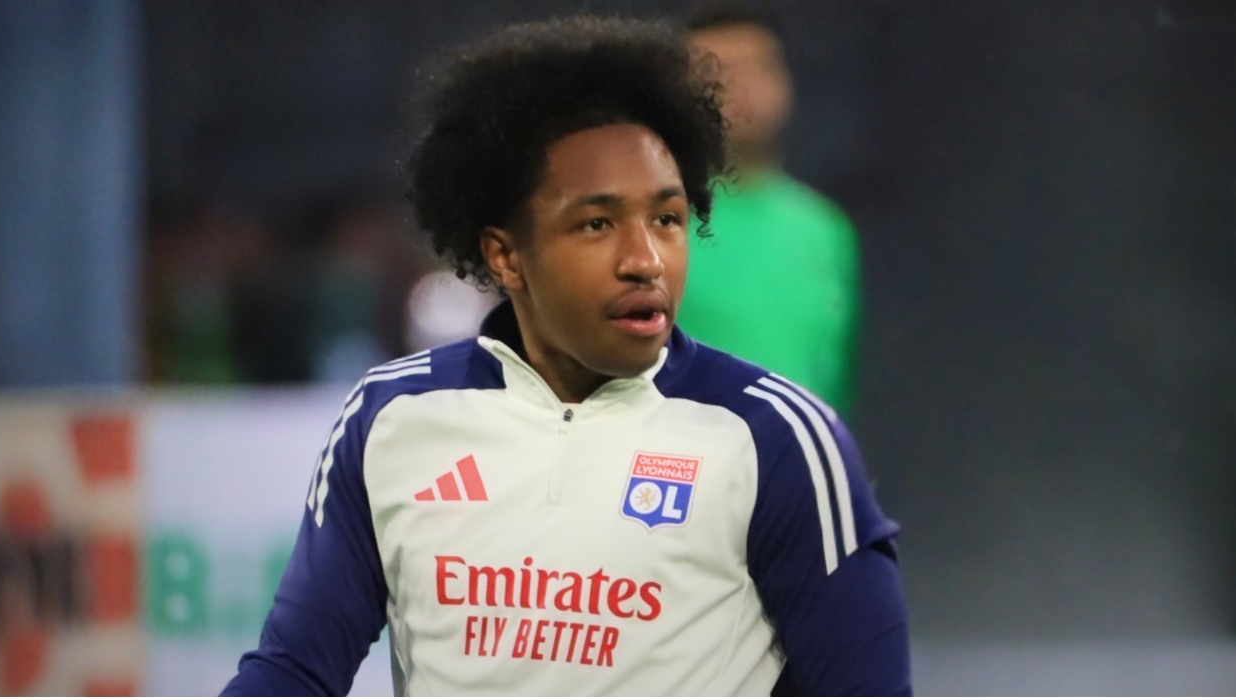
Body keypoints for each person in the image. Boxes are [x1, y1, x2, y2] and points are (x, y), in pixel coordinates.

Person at [223, 15, 909, 696]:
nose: (645, 259)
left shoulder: (779, 440)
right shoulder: (392, 416)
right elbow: (295, 671)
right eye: (597, 223)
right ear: (505, 256)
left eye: (667, 219)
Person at [679, 7, 863, 415]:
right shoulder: (656, 222)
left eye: (758, 67)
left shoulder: (824, 229)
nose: (741, 88)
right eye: (718, 72)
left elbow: (831, 377)